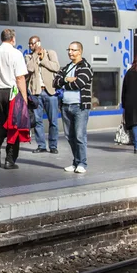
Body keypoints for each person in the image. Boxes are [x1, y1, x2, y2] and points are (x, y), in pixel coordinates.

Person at [0, 29, 28, 170]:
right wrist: (25, 98)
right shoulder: (16, 54)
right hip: (13, 93)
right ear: (13, 39)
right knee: (14, 126)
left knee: (4, 122)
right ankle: (10, 159)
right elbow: (20, 78)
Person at [53, 41, 93, 174]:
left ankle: (82, 163)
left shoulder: (86, 67)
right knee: (69, 136)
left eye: (73, 50)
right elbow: (55, 82)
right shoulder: (66, 67)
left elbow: (79, 84)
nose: (70, 52)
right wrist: (67, 80)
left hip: (80, 107)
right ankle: (75, 162)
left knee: (80, 136)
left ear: (80, 51)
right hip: (65, 106)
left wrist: (64, 82)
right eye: (69, 50)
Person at [25, 36, 60, 154]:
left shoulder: (50, 53)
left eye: (32, 44)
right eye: (29, 44)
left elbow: (56, 67)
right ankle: (41, 145)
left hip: (50, 92)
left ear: (38, 43)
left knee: (53, 120)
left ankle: (53, 145)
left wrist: (43, 60)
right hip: (36, 92)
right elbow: (29, 69)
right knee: (37, 121)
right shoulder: (28, 57)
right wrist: (35, 55)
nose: (30, 46)